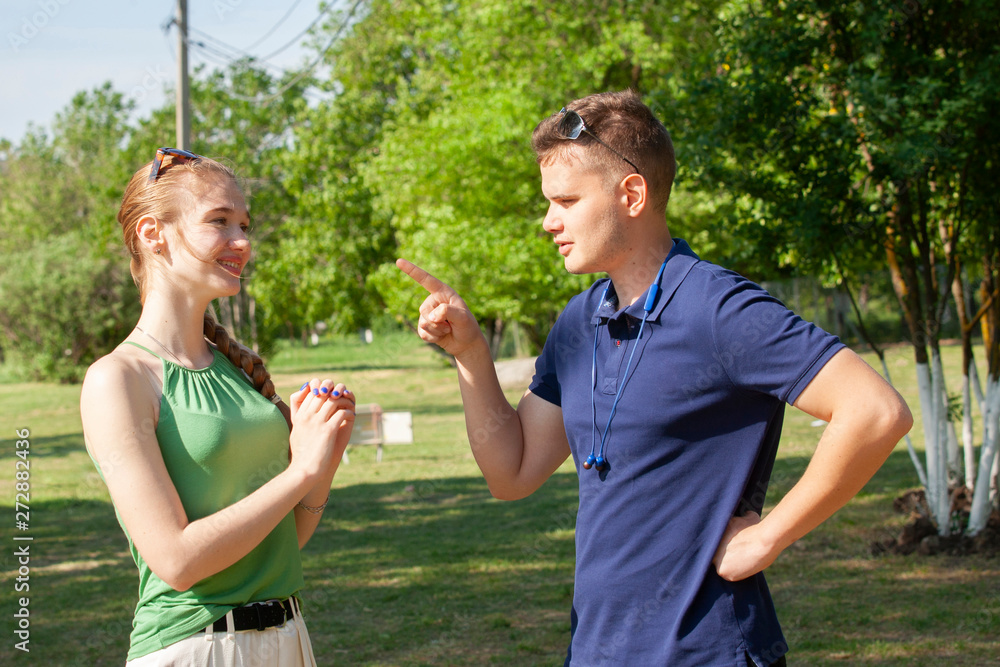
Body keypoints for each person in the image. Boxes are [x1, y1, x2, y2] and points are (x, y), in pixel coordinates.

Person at [396, 90, 913, 666]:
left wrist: (769, 537)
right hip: (597, 649)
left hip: (706, 652)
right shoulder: (578, 321)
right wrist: (470, 353)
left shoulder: (719, 308)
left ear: (633, 194)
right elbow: (511, 474)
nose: (548, 221)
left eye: (566, 200)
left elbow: (875, 411)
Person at [80, 147, 355, 665]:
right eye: (219, 222)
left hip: (289, 637)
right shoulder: (117, 380)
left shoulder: (237, 369)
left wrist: (322, 455)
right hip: (196, 647)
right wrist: (302, 471)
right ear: (151, 233)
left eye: (245, 224)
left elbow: (288, 538)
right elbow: (177, 561)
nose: (242, 243)